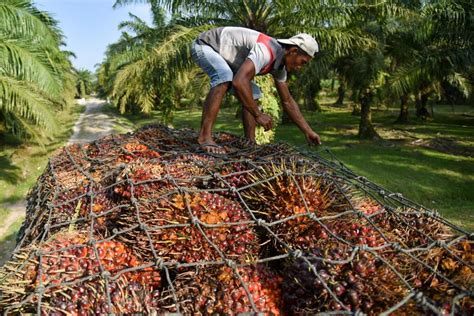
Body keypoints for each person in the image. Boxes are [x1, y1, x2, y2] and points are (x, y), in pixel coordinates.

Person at [191, 26, 322, 154]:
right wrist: (258, 114)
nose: (300, 67)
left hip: (226, 60)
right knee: (223, 77)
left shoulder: (280, 66)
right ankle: (204, 137)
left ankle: (250, 142)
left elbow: (287, 101)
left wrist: (308, 131)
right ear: (293, 51)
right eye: (303, 62)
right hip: (206, 45)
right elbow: (239, 82)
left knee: (253, 93)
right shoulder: (266, 51)